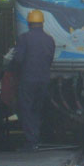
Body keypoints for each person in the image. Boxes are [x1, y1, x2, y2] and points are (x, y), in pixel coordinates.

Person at [9, 9, 56, 150]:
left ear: (29, 23)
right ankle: (37, 137)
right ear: (42, 23)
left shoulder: (24, 38)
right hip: (44, 79)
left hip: (28, 79)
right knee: (37, 109)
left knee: (26, 109)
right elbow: (50, 59)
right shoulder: (50, 39)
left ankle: (31, 141)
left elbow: (18, 59)